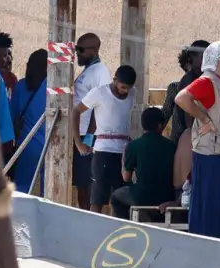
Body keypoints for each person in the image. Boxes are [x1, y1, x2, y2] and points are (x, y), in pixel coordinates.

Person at [77, 65, 138, 215]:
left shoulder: (132, 93)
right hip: (103, 151)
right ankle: (94, 231)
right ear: (115, 80)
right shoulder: (99, 93)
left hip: (124, 152)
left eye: (128, 89)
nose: (125, 91)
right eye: (123, 87)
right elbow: (76, 111)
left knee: (121, 198)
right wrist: (79, 143)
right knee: (97, 198)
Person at [175, 42, 220, 237]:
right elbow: (182, 98)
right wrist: (203, 118)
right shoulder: (208, 81)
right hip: (209, 153)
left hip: (217, 151)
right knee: (207, 203)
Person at [111, 107, 177, 219]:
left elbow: (126, 177)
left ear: (143, 124)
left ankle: (126, 228)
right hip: (167, 196)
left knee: (116, 197)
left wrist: (124, 159)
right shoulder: (172, 146)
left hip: (142, 197)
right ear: (160, 125)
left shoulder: (133, 146)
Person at [72, 33, 111, 209]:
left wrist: (88, 136)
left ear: (94, 50)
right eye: (76, 49)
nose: (77, 54)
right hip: (79, 134)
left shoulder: (101, 72)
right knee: (82, 184)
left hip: (87, 137)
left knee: (87, 185)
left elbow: (100, 104)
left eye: (81, 50)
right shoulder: (89, 70)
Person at [10, 49, 49, 193]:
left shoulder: (21, 86)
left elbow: (12, 114)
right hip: (49, 144)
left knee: (22, 187)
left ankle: (19, 215)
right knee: (49, 189)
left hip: (26, 145)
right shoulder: (52, 88)